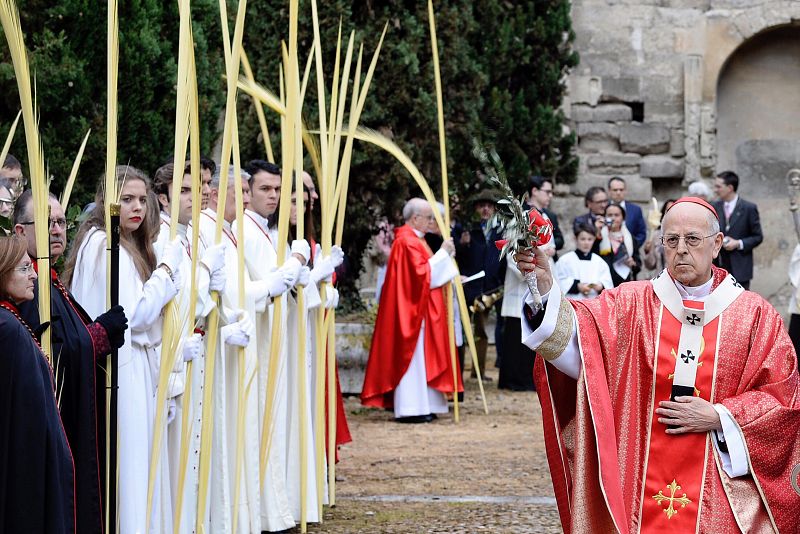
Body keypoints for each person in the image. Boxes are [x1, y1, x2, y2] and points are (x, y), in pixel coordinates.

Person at [515, 197, 800, 532]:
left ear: (717, 244)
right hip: (639, 480)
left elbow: (783, 397)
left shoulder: (753, 315)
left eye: (693, 239)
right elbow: (583, 344)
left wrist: (721, 416)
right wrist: (546, 287)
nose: (681, 249)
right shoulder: (630, 303)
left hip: (719, 484)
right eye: (672, 240)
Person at [63, 165, 182, 533]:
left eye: (143, 200)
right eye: (127, 199)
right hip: (122, 368)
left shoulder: (118, 244)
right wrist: (166, 271)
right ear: (107, 201)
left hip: (132, 364)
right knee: (130, 465)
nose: (137, 207)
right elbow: (137, 315)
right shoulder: (104, 245)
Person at [14, 191, 128, 534]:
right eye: (47, 223)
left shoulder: (49, 279)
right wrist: (98, 335)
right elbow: (41, 354)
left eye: (61, 222)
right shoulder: (25, 284)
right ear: (20, 231)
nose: (57, 230)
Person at [236, 158, 303, 531]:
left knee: (273, 423)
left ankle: (275, 506)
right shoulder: (244, 230)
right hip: (257, 338)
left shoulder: (262, 230)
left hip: (274, 337)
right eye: (265, 188)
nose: (273, 196)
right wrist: (294, 260)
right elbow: (265, 284)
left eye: (278, 189)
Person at [361, 198, 462, 423]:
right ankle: (411, 407)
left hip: (420, 310)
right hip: (412, 312)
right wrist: (444, 253)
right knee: (413, 358)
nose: (432, 222)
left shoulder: (416, 240)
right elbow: (420, 276)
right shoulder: (407, 241)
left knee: (422, 358)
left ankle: (425, 404)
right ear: (415, 218)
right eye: (429, 218)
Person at [0, 236, 75, 533]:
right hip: (25, 470)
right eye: (23, 269)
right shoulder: (7, 328)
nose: (33, 275)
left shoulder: (11, 321)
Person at [455, 188, 504, 379]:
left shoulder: (500, 232)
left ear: (494, 209)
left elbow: (501, 261)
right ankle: (458, 370)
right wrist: (463, 244)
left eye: (489, 206)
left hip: (488, 289)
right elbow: (457, 257)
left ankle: (479, 371)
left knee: (481, 331)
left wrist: (498, 284)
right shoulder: (468, 230)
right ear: (476, 208)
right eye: (482, 206)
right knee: (461, 329)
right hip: (468, 287)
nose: (485, 209)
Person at [711, 170, 762, 290]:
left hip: (741, 269)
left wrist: (738, 243)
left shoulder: (749, 208)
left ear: (729, 188)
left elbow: (758, 236)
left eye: (718, 186)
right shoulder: (714, 206)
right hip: (719, 267)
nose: (715, 189)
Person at [555, 223, 613, 301]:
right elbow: (558, 281)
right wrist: (577, 286)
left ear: (594, 240)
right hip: (572, 302)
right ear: (575, 239)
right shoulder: (565, 260)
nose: (586, 243)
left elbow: (608, 284)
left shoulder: (599, 262)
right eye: (583, 239)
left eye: (590, 239)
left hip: (594, 303)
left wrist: (601, 286)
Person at [598, 202, 640, 286]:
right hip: (604, 284)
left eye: (616, 215)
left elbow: (638, 264)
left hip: (625, 284)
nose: (613, 218)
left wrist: (633, 264)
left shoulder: (630, 238)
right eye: (610, 215)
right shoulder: (599, 237)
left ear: (623, 218)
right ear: (605, 217)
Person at [526, 176, 564, 255]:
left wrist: (552, 247)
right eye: (547, 192)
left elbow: (560, 239)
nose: (550, 196)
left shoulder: (550, 215)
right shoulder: (521, 212)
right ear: (535, 191)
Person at [607, 176, 646, 250]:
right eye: (615, 190)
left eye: (621, 190)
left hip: (630, 253)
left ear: (625, 191)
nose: (618, 192)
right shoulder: (604, 209)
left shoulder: (635, 210)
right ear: (609, 191)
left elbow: (641, 234)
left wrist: (631, 247)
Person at [572, 186, 609, 255]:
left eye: (605, 201)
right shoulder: (580, 221)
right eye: (599, 202)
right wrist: (595, 229)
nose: (603, 205)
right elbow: (582, 244)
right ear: (589, 203)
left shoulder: (611, 218)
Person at [643, 199, 676, 274]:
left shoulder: (685, 236)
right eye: (668, 210)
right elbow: (650, 265)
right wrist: (648, 252)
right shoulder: (657, 235)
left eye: (673, 210)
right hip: (660, 280)